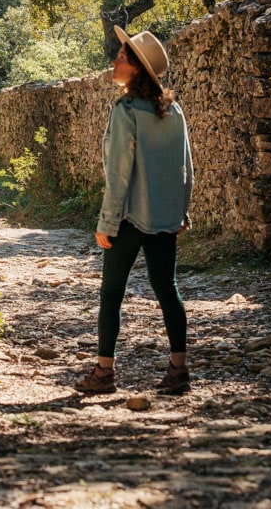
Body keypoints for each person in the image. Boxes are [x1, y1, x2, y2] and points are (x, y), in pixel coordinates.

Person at [75, 27, 193, 396]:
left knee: (111, 293)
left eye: (122, 58)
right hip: (162, 219)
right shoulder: (173, 111)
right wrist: (180, 214)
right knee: (167, 290)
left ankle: (104, 373)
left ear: (137, 69)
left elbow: (118, 175)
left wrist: (106, 223)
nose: (115, 61)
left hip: (127, 219)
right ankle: (178, 371)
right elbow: (185, 169)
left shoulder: (126, 111)